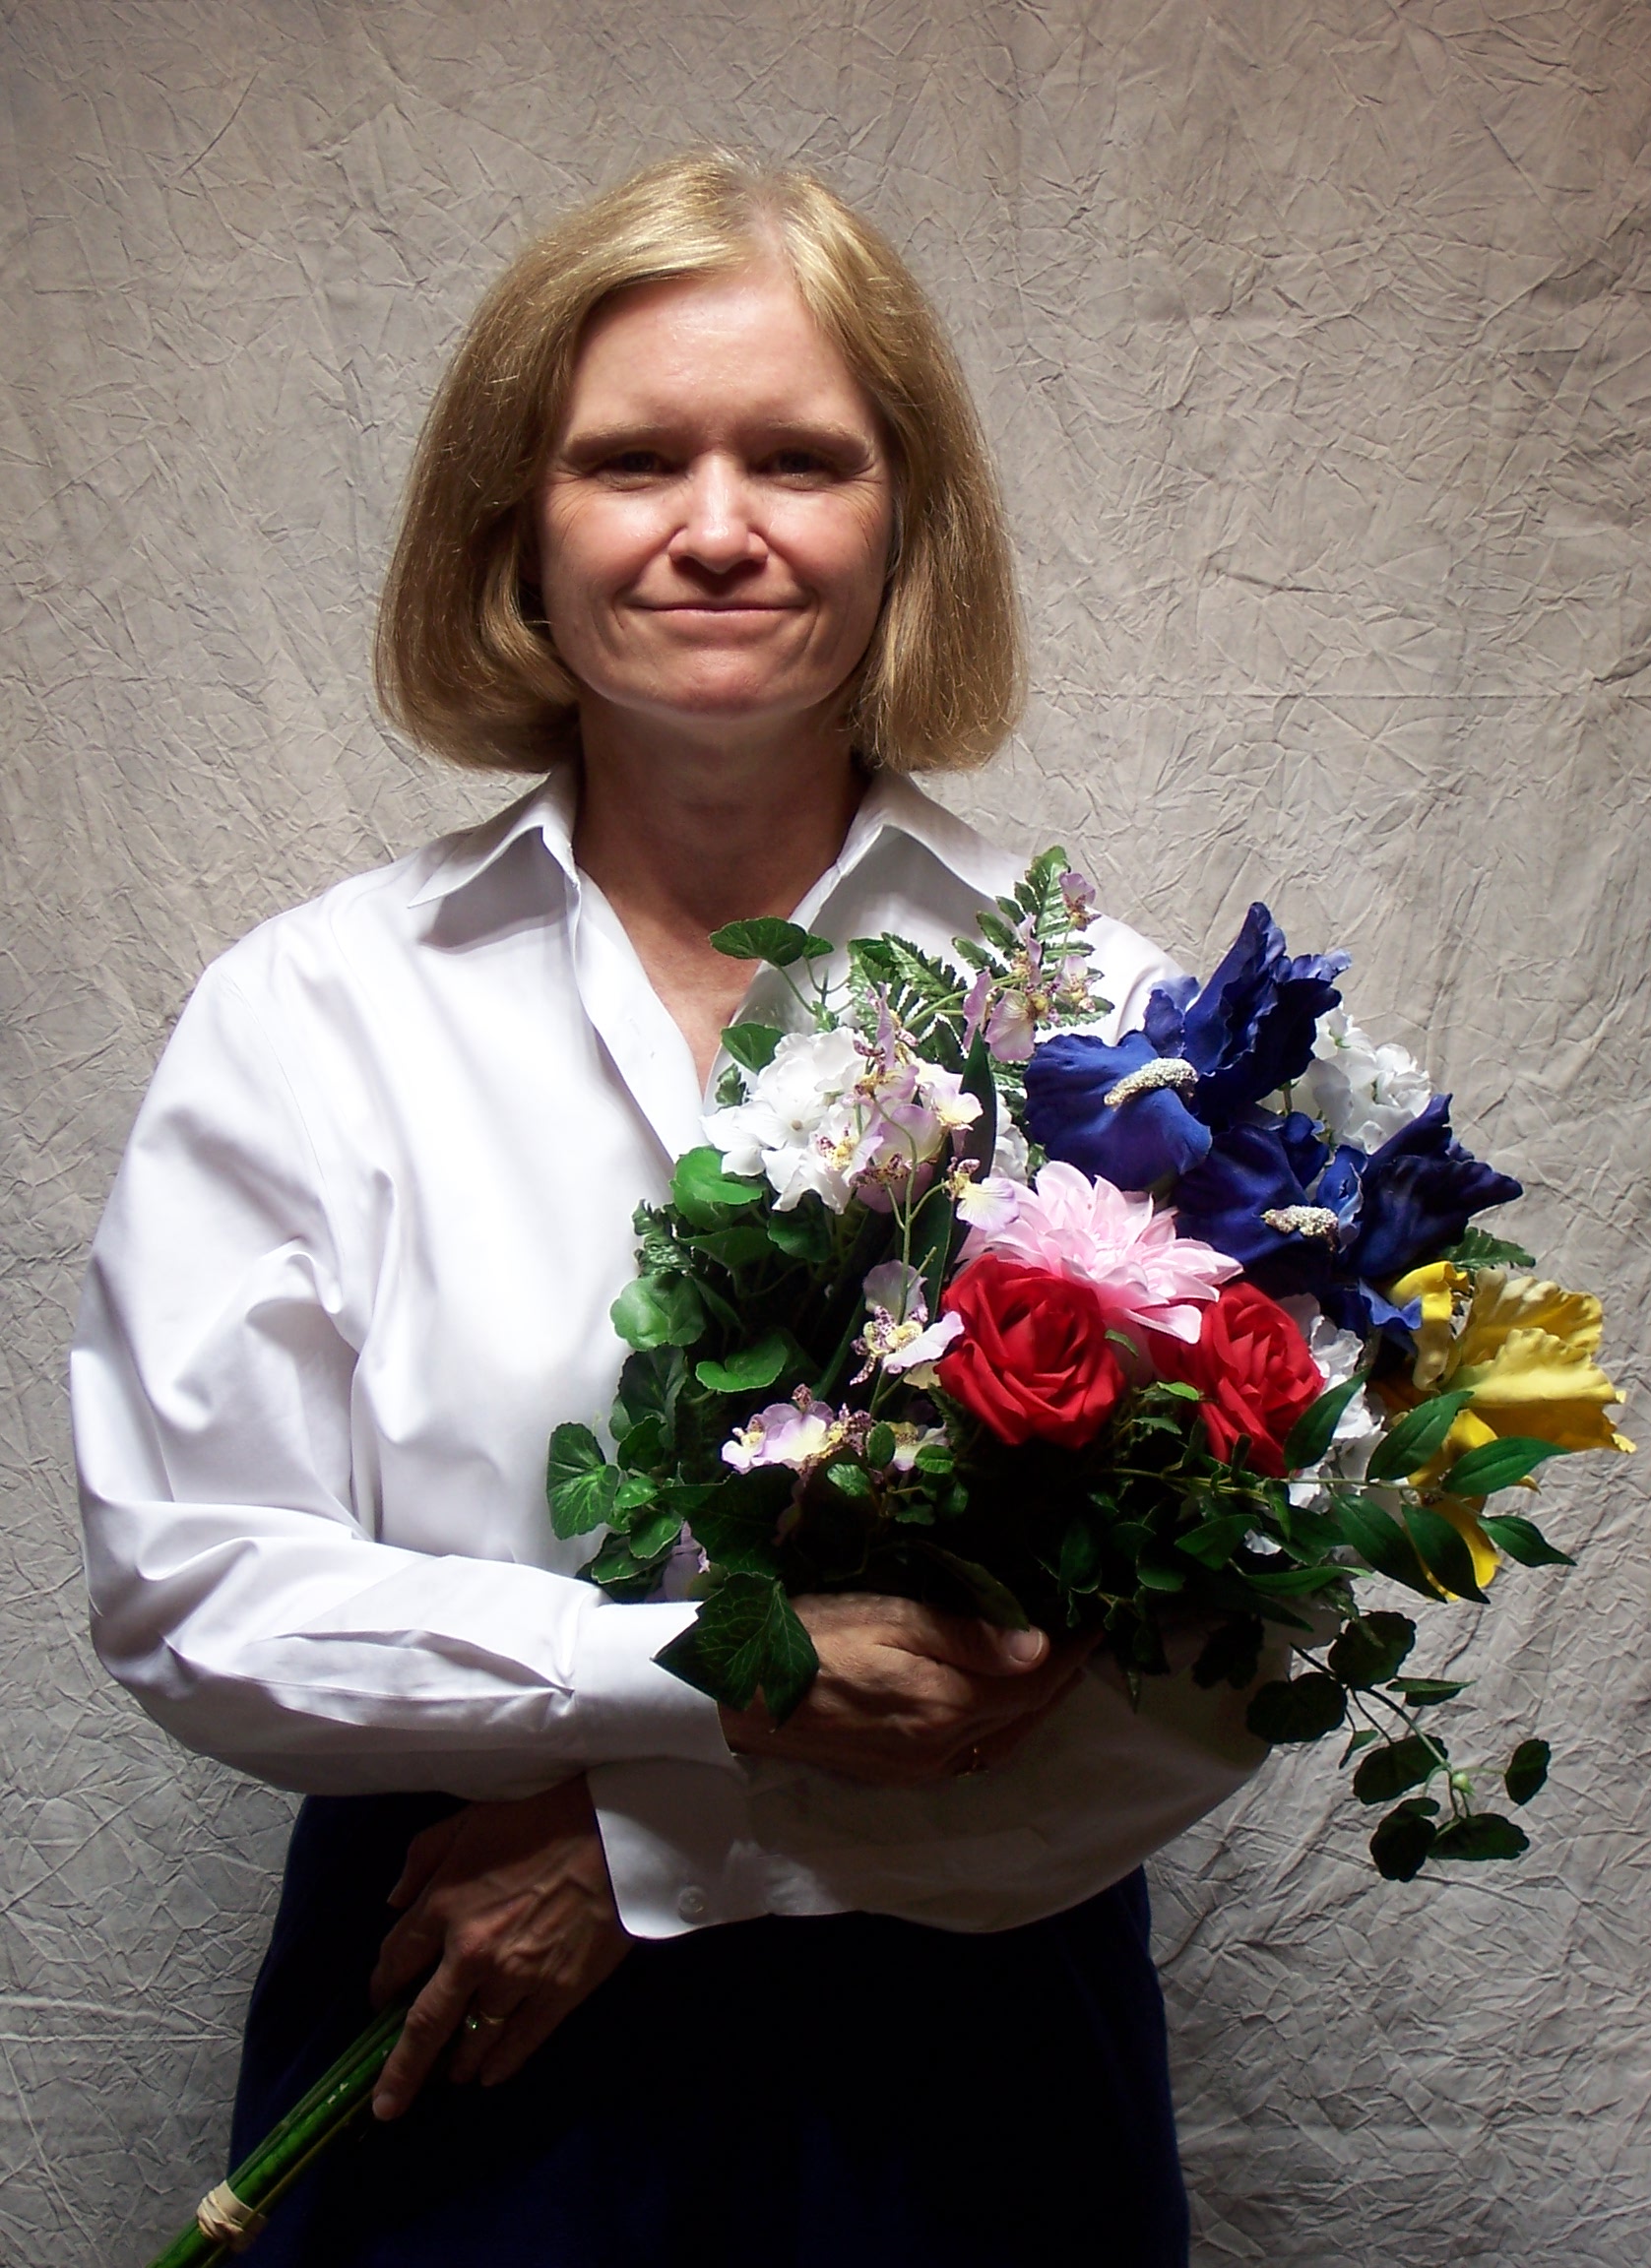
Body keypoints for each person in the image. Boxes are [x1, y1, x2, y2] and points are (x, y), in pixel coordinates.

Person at [73, 151, 1224, 2265]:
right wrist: (724, 1680)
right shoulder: (316, 1014)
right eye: (631, 460)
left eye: (799, 457)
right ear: (517, 523)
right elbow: (194, 1589)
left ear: (907, 524)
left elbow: (1212, 1655)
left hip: (968, 2078)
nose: (716, 527)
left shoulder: (1098, 1021)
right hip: (458, 2053)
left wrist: (659, 1848)